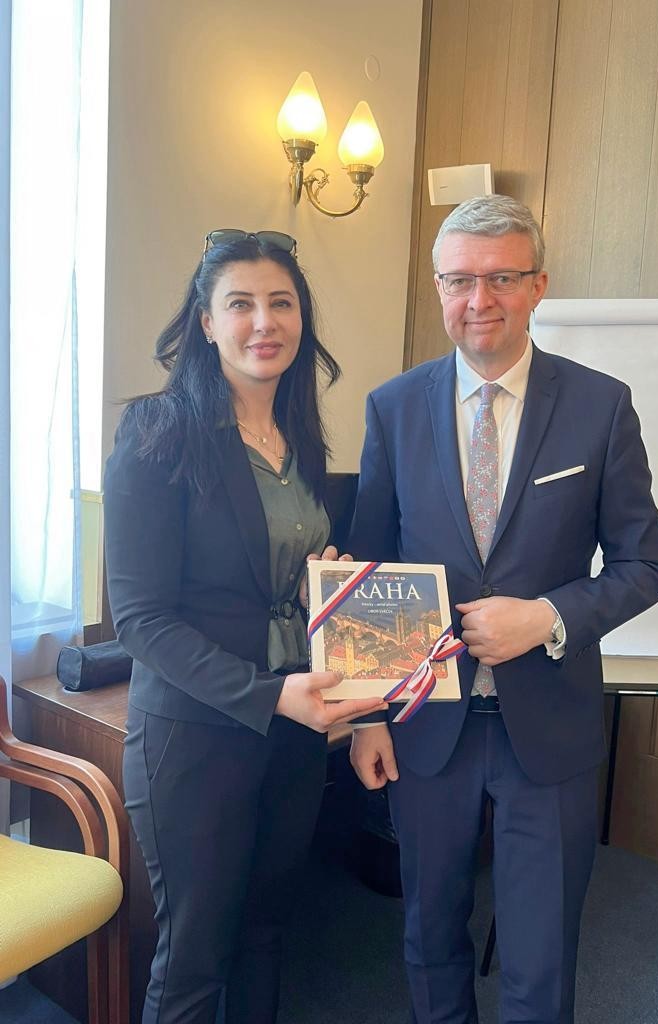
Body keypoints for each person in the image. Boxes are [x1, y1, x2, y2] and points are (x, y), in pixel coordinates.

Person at [348, 196, 658, 1024]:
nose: (479, 300)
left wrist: (547, 618)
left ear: (538, 286)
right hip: (425, 728)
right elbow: (371, 571)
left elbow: (645, 565)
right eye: (460, 280)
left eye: (501, 279)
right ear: (438, 287)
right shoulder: (393, 407)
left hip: (550, 731)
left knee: (541, 957)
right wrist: (367, 717)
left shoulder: (601, 406)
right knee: (430, 936)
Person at [103, 229, 386, 1024]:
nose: (265, 322)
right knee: (194, 957)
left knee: (266, 934)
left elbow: (272, 581)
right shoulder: (158, 431)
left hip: (294, 727)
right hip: (198, 733)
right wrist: (269, 696)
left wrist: (321, 583)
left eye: (281, 303)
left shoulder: (300, 440)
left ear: (302, 319)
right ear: (206, 322)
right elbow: (140, 619)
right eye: (241, 304)